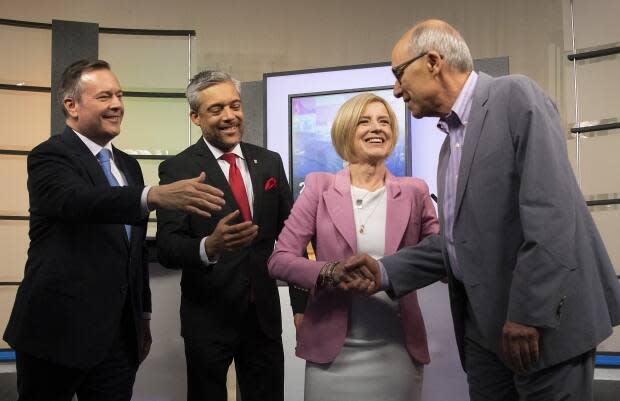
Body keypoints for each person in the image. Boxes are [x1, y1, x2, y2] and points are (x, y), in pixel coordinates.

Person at [343, 19, 620, 400]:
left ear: (433, 61)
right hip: (485, 336)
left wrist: (528, 314)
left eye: (398, 74)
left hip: (541, 330)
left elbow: (552, 215)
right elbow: (458, 243)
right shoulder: (448, 146)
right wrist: (384, 270)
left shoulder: (514, 96)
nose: (395, 89)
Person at [3, 59, 225, 401]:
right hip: (55, 334)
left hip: (118, 340)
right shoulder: (49, 156)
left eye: (119, 95)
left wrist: (144, 316)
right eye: (105, 96)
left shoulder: (129, 166)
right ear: (71, 105)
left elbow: (132, 252)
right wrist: (153, 195)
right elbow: (79, 201)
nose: (117, 105)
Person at [268, 93, 439, 401]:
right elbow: (279, 260)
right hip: (332, 355)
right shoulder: (318, 186)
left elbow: (442, 255)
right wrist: (329, 271)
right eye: (365, 120)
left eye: (384, 121)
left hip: (396, 348)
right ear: (347, 130)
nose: (377, 128)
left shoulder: (416, 191)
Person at [156, 70, 304, 401]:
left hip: (263, 315)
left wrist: (301, 302)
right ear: (195, 116)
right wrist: (210, 246)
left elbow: (293, 235)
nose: (229, 116)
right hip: (208, 317)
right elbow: (167, 247)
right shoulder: (178, 169)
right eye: (216, 109)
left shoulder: (268, 162)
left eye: (234, 105)